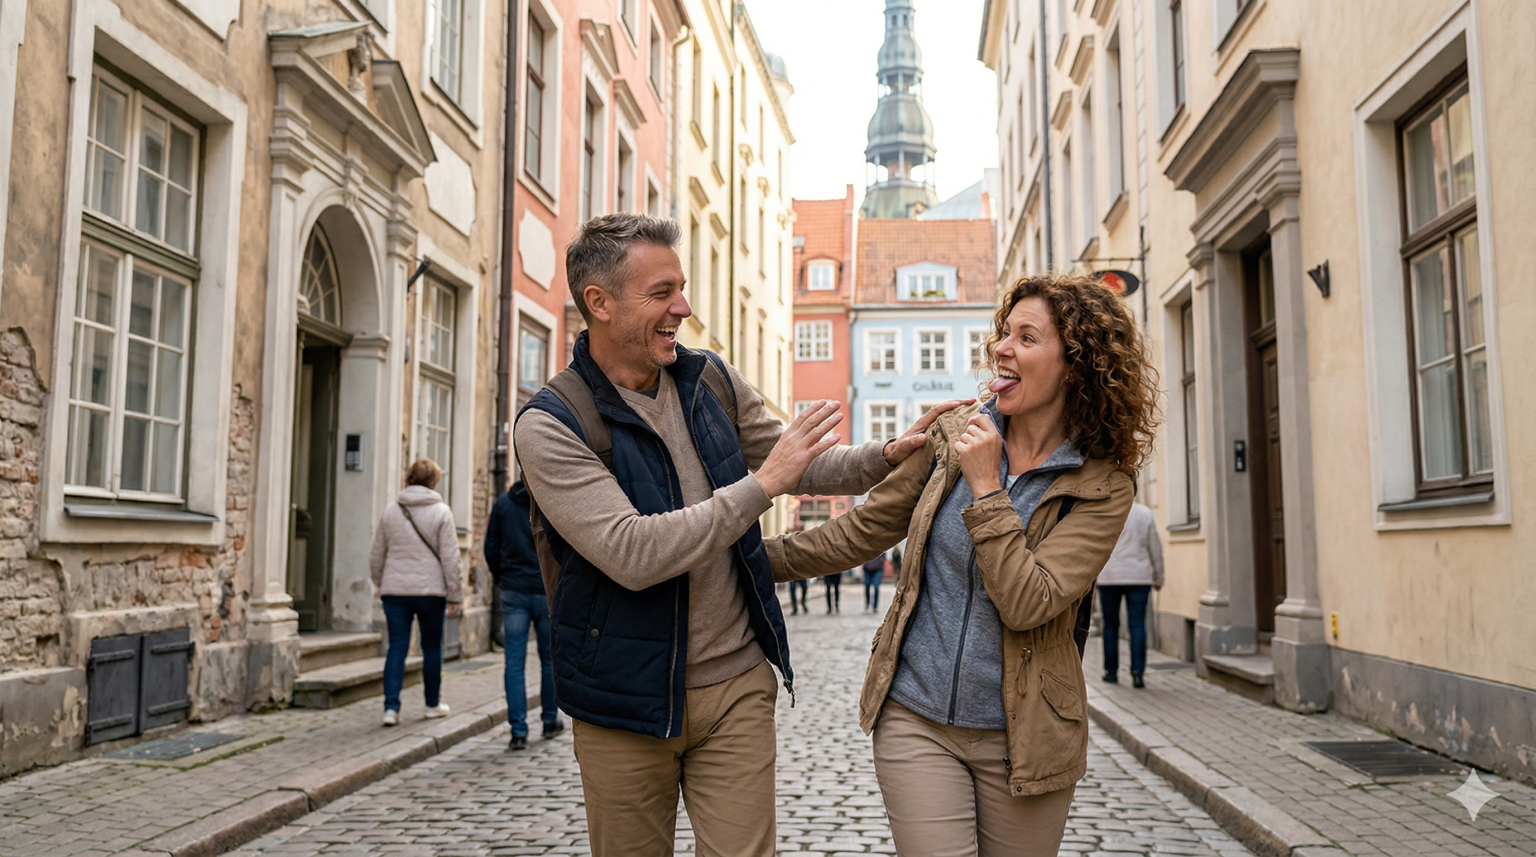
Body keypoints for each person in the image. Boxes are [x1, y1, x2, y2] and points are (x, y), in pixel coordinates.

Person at [513, 213, 964, 857]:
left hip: (736, 686)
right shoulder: (553, 424)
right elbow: (632, 552)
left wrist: (889, 452)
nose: (684, 308)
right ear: (599, 303)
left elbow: (795, 459)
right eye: (662, 292)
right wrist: (764, 485)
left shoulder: (708, 380)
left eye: (684, 288)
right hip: (624, 700)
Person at [766, 274, 1159, 857]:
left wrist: (986, 488)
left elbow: (1030, 602)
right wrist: (739, 555)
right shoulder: (956, 435)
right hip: (915, 716)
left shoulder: (1102, 485)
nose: (1001, 347)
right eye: (1004, 333)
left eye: (1026, 338)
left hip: (1026, 735)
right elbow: (863, 531)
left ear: (1075, 365)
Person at [370, 458, 462, 727]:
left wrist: (381, 583)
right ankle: (432, 704)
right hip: (431, 591)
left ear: (409, 478)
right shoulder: (442, 512)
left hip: (395, 591)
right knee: (431, 647)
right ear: (435, 481)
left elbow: (377, 554)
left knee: (397, 646)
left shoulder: (391, 511)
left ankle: (391, 708)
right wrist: (455, 594)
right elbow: (451, 558)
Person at [485, 479, 563, 750]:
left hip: (513, 591)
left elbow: (490, 549)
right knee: (549, 660)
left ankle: (518, 731)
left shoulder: (504, 505)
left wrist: (504, 579)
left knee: (514, 663)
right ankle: (550, 720)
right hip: (545, 591)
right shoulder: (549, 503)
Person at [1097, 501, 1163, 689]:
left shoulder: (1105, 510)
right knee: (1137, 626)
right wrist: (1159, 577)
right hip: (1138, 576)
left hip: (1109, 576)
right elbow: (1154, 548)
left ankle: (1111, 672)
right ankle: (1137, 674)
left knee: (1110, 626)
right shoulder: (1145, 513)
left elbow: (1095, 547)